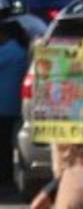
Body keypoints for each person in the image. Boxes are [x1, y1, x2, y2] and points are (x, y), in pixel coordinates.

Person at [0, 20, 25, 190]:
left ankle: (5, 176)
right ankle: (6, 176)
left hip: (4, 106)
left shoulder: (8, 51)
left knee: (3, 144)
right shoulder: (19, 50)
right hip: (11, 104)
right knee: (5, 143)